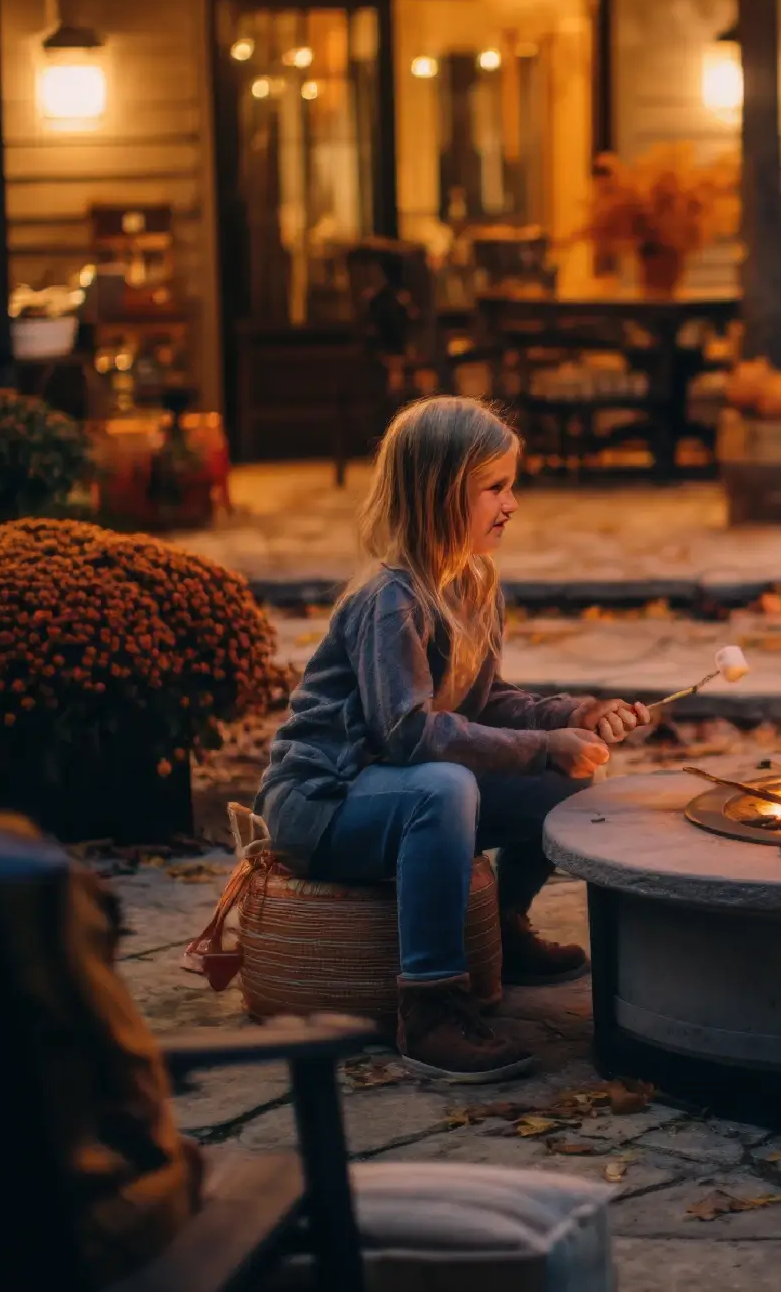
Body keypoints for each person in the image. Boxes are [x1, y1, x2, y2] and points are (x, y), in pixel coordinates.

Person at [257, 396, 651, 1082]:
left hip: (398, 788)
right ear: (439, 494)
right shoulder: (390, 599)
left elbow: (489, 702)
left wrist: (574, 717)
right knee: (444, 786)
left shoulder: (475, 585)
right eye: (494, 488)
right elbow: (409, 735)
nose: (512, 503)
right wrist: (539, 744)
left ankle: (501, 927)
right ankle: (431, 1007)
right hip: (325, 799)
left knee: (567, 778)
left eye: (511, 485)